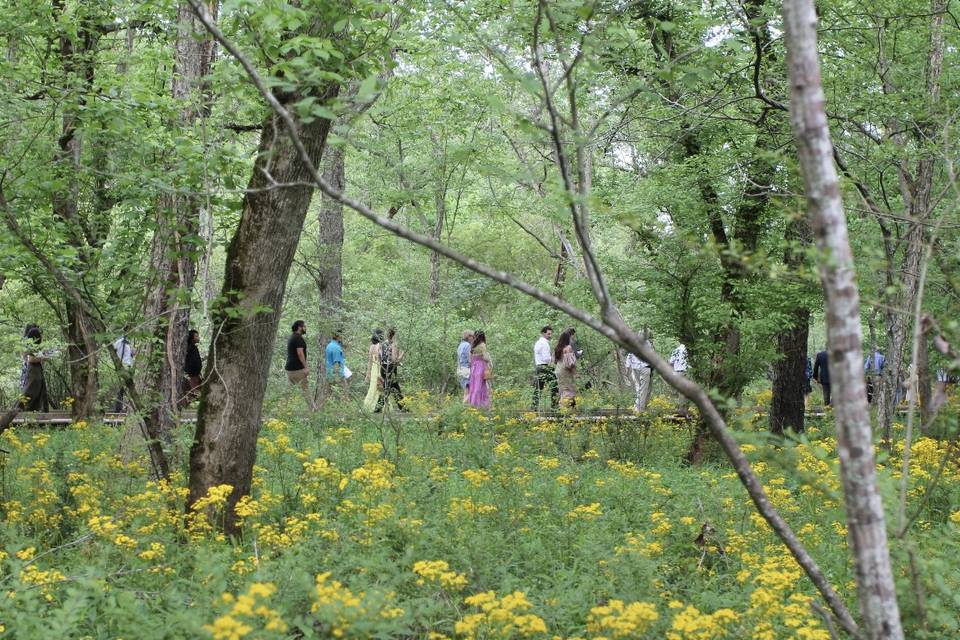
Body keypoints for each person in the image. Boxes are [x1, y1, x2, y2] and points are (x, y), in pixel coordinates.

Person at [285, 320, 317, 412]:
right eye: (304, 326)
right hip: (297, 369)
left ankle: (281, 410)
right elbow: (300, 353)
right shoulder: (298, 338)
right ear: (299, 327)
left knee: (288, 391)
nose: (305, 328)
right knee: (306, 390)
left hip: (289, 369)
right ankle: (313, 411)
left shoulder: (291, 337)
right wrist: (306, 367)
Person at [21, 326, 50, 412]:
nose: (41, 336)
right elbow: (30, 359)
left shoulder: (37, 346)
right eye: (40, 334)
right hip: (33, 371)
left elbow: (39, 359)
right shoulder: (30, 346)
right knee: (30, 391)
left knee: (40, 390)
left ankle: (38, 411)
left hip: (37, 370)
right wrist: (43, 358)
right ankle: (20, 410)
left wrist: (44, 357)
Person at [376, 328, 406, 412]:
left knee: (394, 387)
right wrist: (401, 355)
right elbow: (394, 359)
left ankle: (402, 407)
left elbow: (379, 356)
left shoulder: (383, 343)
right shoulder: (394, 344)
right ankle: (377, 408)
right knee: (388, 388)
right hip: (390, 368)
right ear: (394, 335)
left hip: (383, 367)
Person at [531, 325, 558, 411]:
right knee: (555, 385)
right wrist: (553, 357)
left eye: (551, 334)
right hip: (544, 367)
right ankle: (554, 407)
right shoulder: (545, 343)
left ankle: (534, 408)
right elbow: (546, 358)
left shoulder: (538, 343)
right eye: (548, 334)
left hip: (539, 367)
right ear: (543, 333)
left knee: (538, 388)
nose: (550, 336)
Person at [466, 330, 492, 409]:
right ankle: (481, 405)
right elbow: (485, 357)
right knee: (480, 385)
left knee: (474, 385)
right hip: (481, 367)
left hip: (474, 368)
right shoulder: (482, 345)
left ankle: (473, 403)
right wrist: (488, 358)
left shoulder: (473, 345)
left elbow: (470, 360)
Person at [624, 344, 652, 412]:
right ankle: (640, 409)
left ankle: (637, 407)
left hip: (635, 369)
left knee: (639, 388)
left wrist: (627, 373)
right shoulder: (647, 344)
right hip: (644, 367)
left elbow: (628, 359)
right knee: (643, 389)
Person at [554, 328, 578, 409]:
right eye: (572, 337)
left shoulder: (558, 347)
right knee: (569, 390)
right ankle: (565, 410)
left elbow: (554, 360)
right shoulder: (568, 348)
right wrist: (576, 373)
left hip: (558, 369)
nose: (573, 338)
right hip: (565, 371)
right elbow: (570, 364)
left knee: (563, 389)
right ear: (568, 338)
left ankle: (567, 410)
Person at [112, 334, 136, 412]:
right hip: (125, 366)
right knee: (122, 389)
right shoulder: (120, 342)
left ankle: (121, 408)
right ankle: (119, 408)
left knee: (123, 389)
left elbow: (125, 354)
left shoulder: (125, 343)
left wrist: (131, 353)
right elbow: (115, 350)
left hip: (126, 366)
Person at [363, 331, 383, 413]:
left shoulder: (371, 347)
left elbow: (370, 361)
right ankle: (377, 407)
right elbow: (381, 360)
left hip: (373, 369)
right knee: (379, 388)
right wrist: (380, 373)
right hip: (379, 368)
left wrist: (368, 373)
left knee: (373, 387)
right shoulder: (380, 346)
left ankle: (368, 405)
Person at [182, 329, 203, 407]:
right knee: (192, 392)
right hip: (191, 375)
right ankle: (189, 406)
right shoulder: (189, 347)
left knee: (197, 391)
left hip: (196, 375)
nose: (198, 337)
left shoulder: (194, 347)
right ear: (192, 337)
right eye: (196, 336)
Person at [457, 330, 474, 402]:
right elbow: (470, 360)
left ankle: (465, 409)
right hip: (467, 370)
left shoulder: (460, 345)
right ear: (469, 337)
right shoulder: (468, 346)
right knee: (473, 390)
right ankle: (462, 406)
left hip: (460, 370)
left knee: (467, 391)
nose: (473, 338)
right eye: (473, 336)